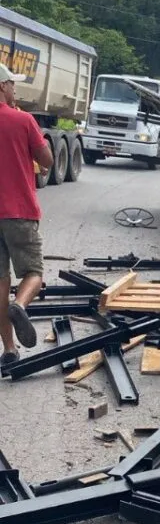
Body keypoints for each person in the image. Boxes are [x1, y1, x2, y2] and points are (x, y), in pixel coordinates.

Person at [0, 64, 54, 373]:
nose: (14, 88)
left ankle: (9, 350)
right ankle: (20, 306)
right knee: (34, 272)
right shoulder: (23, 120)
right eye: (11, 83)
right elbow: (46, 160)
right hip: (18, 212)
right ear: (3, 86)